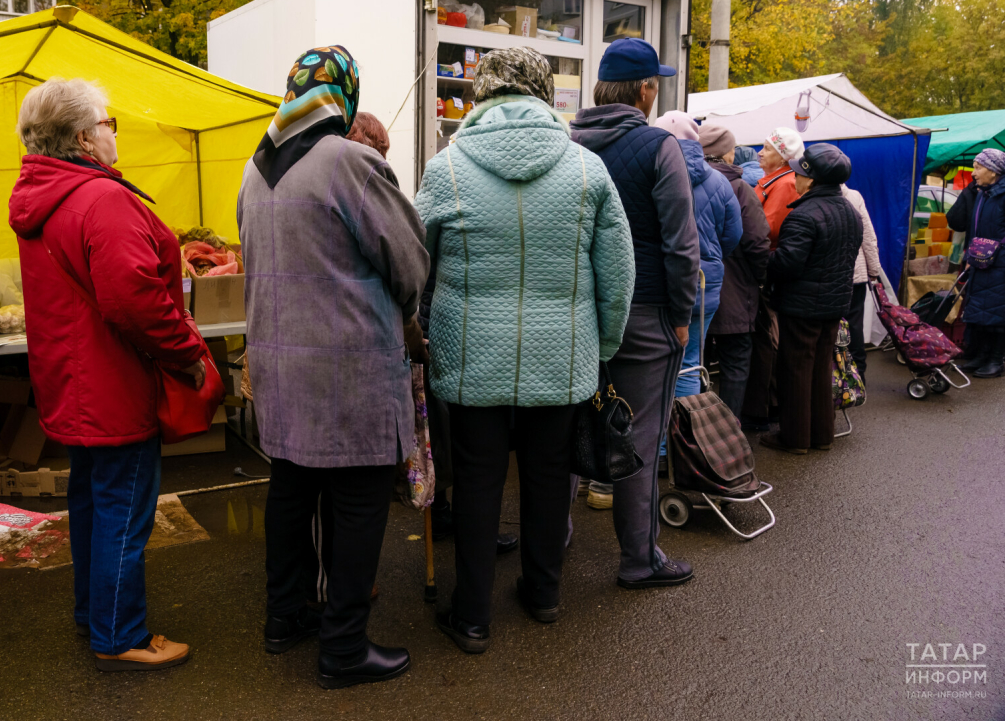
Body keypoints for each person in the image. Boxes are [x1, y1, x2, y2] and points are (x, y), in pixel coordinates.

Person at [417, 47, 633, 652]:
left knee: (480, 483)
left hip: (469, 357)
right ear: (544, 92)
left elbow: (414, 265)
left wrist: (417, 330)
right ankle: (543, 595)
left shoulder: (447, 169)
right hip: (562, 358)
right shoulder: (588, 170)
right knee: (547, 477)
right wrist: (603, 345)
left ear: (482, 92)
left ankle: (472, 617)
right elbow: (617, 273)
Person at [238, 46, 428, 689]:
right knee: (356, 504)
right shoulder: (350, 161)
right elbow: (408, 261)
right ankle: (344, 647)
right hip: (346, 369)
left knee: (290, 492)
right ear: (342, 94)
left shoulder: (253, 170)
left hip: (279, 366)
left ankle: (285, 617)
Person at [9, 78, 206, 672]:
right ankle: (120, 631)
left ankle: (95, 613)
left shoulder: (47, 196)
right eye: (107, 123)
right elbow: (133, 300)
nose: (112, 132)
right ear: (82, 138)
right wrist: (185, 354)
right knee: (122, 506)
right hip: (112, 381)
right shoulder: (102, 200)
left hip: (73, 379)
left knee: (94, 502)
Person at [569, 38, 699, 589]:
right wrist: (682, 312)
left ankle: (551, 549)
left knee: (569, 430)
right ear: (644, 91)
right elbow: (680, 243)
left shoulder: (567, 143)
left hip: (577, 313)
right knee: (640, 435)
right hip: (645, 313)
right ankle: (640, 559)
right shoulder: (658, 147)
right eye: (656, 84)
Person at [764, 144, 862, 454]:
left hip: (801, 304)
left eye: (800, 172)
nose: (795, 177)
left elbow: (788, 264)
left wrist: (763, 259)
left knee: (795, 370)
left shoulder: (804, 215)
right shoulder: (849, 210)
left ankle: (794, 438)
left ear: (813, 179)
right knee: (821, 368)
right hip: (834, 303)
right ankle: (822, 435)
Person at [655, 111, 742, 397]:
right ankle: (684, 437)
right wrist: (709, 256)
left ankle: (660, 442)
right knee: (690, 363)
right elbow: (733, 236)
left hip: (660, 283)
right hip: (705, 284)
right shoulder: (719, 182)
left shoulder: (652, 172)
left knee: (654, 367)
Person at [699, 123, 771, 416]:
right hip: (736, 291)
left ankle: (691, 434)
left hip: (695, 291)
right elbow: (756, 241)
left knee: (693, 365)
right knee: (735, 366)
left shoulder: (680, 181)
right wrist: (761, 278)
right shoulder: (740, 189)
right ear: (725, 154)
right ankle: (727, 437)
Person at [742, 126, 805, 431]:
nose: (759, 153)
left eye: (766, 149)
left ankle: (764, 407)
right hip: (767, 266)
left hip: (767, 269)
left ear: (781, 156)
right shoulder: (775, 181)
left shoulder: (783, 185)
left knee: (767, 339)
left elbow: (768, 229)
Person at [947, 149, 1005, 378]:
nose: (973, 173)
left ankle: (996, 360)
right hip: (980, 262)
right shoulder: (983, 193)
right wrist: (973, 256)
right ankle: (980, 355)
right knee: (980, 311)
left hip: (1000, 264)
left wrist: (995, 252)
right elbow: (975, 230)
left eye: (978, 167)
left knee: (998, 314)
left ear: (993, 171)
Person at [840, 184, 882, 377]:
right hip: (856, 274)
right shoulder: (854, 196)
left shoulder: (812, 195)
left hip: (831, 276)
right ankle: (859, 375)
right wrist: (873, 270)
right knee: (854, 325)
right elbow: (868, 236)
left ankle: (837, 375)